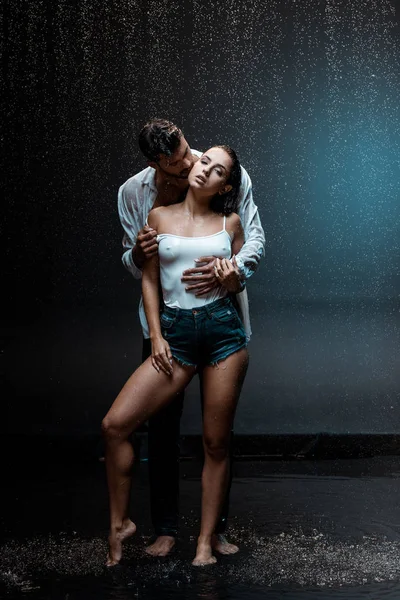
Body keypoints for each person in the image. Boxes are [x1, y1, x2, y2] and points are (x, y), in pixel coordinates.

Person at [118, 119, 265, 557]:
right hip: (166, 329)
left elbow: (252, 236)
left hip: (221, 324)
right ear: (154, 163)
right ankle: (165, 529)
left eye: (187, 150)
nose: (189, 163)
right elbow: (135, 261)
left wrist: (233, 269)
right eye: (177, 160)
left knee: (218, 434)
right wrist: (137, 252)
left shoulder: (222, 170)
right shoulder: (134, 194)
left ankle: (214, 531)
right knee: (161, 429)